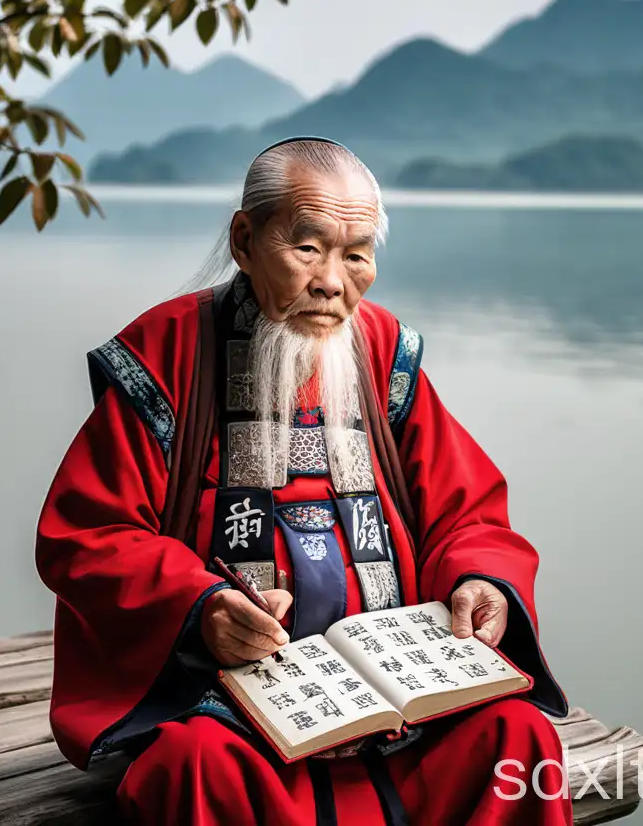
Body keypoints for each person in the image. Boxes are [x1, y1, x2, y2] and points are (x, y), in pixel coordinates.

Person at [35, 137, 573, 825]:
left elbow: (468, 514)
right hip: (237, 708)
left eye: (356, 255)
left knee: (516, 740)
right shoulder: (167, 354)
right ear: (244, 239)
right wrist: (201, 607)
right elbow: (89, 533)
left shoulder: (386, 354)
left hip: (397, 703)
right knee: (193, 767)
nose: (332, 282)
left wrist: (481, 582)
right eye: (308, 248)